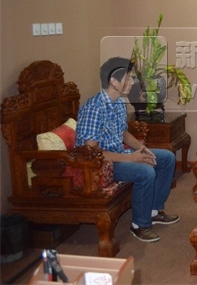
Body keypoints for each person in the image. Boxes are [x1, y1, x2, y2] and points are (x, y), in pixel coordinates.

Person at [75, 57, 179, 243]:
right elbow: (90, 152)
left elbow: (123, 133)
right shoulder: (94, 108)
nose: (132, 82)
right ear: (113, 82)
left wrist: (142, 149)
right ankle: (139, 225)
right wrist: (132, 158)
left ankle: (153, 211)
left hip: (119, 154)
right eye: (128, 78)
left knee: (167, 157)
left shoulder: (118, 103)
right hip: (99, 164)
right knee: (145, 172)